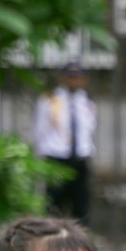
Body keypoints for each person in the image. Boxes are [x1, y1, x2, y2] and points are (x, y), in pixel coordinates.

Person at [33, 65, 96, 222]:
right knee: (54, 206)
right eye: (70, 76)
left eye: (78, 77)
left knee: (81, 208)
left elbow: (89, 130)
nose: (74, 80)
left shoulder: (87, 102)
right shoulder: (50, 100)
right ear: (63, 77)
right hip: (57, 158)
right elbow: (39, 130)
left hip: (80, 159)